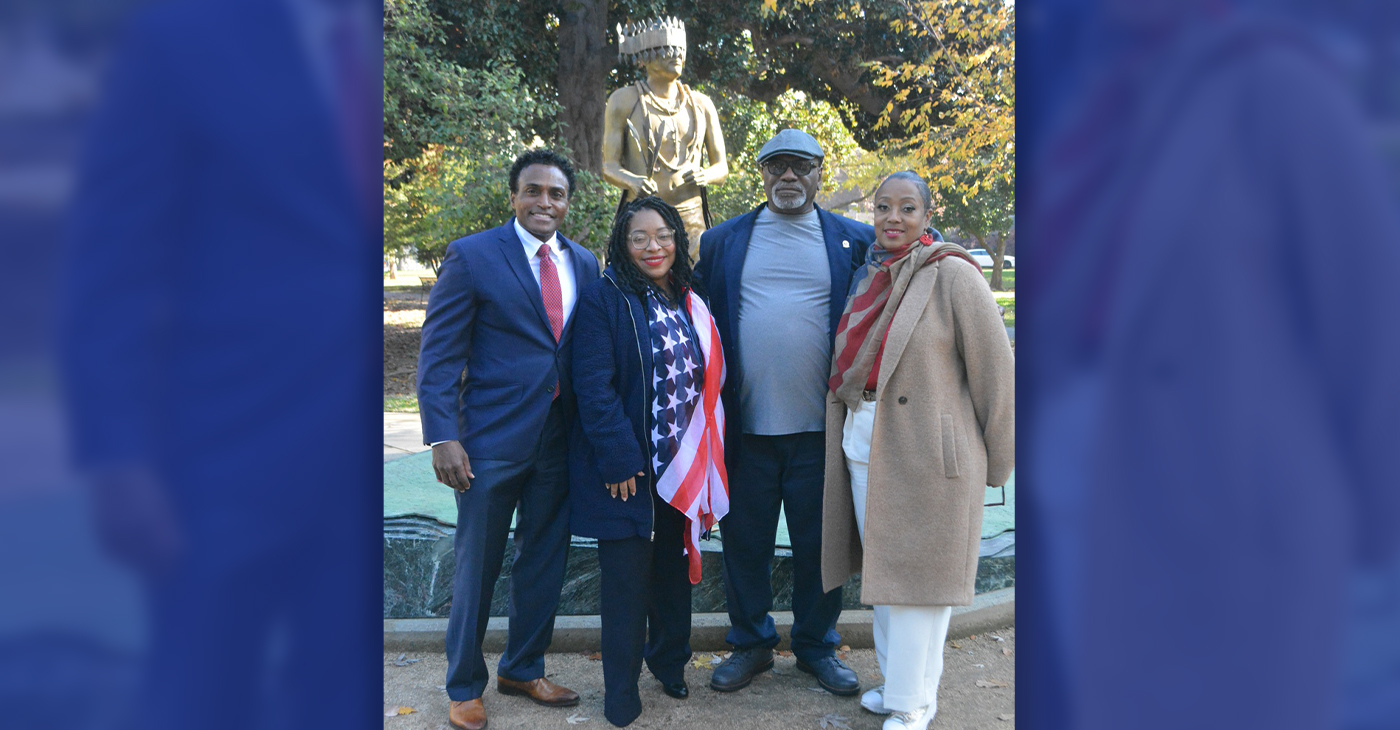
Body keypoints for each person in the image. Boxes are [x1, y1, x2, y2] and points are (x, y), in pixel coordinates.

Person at [694, 128, 885, 696]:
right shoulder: (723, 241)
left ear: (820, 172)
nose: (788, 177)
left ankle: (815, 647)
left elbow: (910, 257)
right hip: (744, 428)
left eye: (801, 166)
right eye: (776, 166)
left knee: (819, 547)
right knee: (744, 543)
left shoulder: (855, 240)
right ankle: (751, 644)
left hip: (821, 431)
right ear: (762, 173)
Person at [822, 171, 1015, 730]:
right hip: (865, 439)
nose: (893, 218)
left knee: (917, 586)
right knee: (887, 577)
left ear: (928, 216)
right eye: (883, 207)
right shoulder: (869, 276)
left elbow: (997, 376)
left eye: (908, 208)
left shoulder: (953, 275)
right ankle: (901, 685)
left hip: (930, 456)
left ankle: (911, 704)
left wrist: (998, 461)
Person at [417, 149, 601, 730]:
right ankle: (464, 685)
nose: (545, 202)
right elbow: (439, 354)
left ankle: (523, 668)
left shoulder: (585, 263)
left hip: (558, 440)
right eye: (534, 191)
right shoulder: (472, 256)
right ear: (515, 196)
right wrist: (442, 435)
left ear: (568, 202)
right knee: (477, 567)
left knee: (543, 560)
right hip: (488, 441)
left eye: (557, 194)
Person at [569, 196, 728, 726]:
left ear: (678, 240)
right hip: (631, 469)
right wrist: (616, 458)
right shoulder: (603, 300)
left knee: (672, 569)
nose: (653, 247)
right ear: (622, 243)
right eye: (639, 238)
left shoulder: (691, 296)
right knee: (626, 581)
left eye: (662, 235)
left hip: (686, 463)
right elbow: (592, 387)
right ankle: (620, 688)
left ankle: (669, 662)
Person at [602, 16, 728, 257]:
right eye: (667, 50)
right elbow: (609, 167)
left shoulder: (701, 104)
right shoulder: (623, 100)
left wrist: (705, 175)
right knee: (637, 284)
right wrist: (633, 181)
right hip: (641, 214)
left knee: (694, 285)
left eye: (680, 50)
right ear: (645, 57)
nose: (676, 56)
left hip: (692, 217)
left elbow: (721, 168)